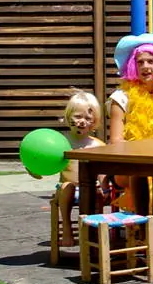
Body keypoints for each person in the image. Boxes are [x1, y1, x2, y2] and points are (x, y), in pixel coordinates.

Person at [104, 41, 153, 213]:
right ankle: (142, 223)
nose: (145, 66)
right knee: (140, 173)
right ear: (133, 66)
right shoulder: (121, 97)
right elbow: (116, 141)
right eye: (140, 62)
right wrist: (140, 157)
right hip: (126, 164)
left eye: (151, 61)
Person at [43, 89, 106, 247]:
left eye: (88, 118)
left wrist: (105, 186)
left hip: (90, 188)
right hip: (66, 189)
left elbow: (102, 172)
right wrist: (34, 170)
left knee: (98, 192)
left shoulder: (97, 145)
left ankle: (95, 229)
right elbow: (46, 162)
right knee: (67, 187)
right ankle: (67, 227)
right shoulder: (61, 143)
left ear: (94, 121)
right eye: (77, 116)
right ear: (68, 117)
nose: (82, 121)